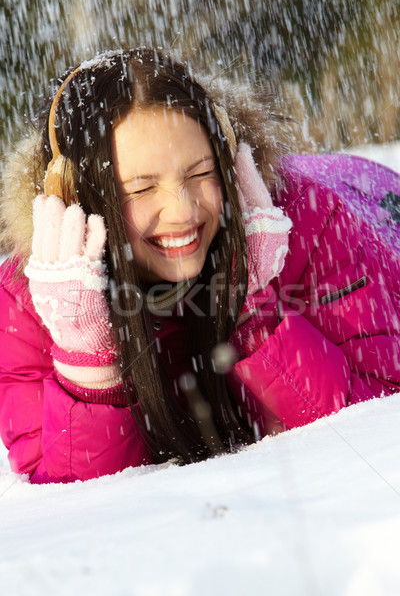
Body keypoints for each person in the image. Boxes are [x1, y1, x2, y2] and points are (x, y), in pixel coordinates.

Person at [0, 48, 399, 484]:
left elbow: (373, 425)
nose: (182, 211)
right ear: (78, 193)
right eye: (142, 187)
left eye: (199, 173)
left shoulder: (310, 221)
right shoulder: (30, 300)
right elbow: (75, 501)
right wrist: (88, 360)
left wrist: (253, 306)